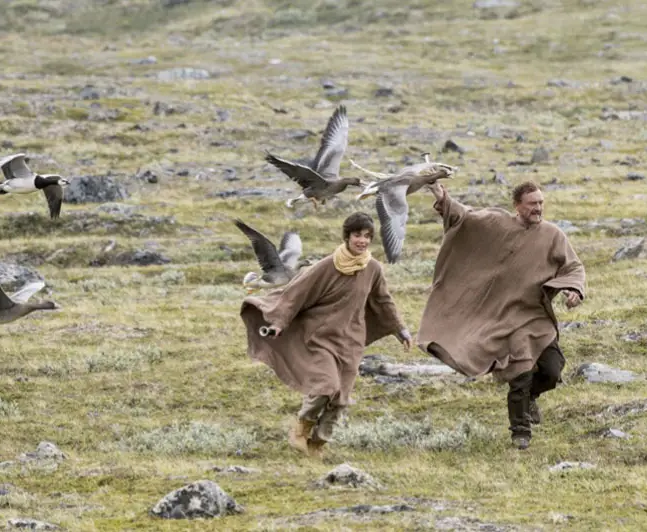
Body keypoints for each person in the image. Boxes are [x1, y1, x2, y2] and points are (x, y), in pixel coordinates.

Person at [416, 181, 586, 450]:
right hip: (504, 318)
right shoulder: (496, 224)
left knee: (552, 370)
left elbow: (573, 267)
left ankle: (530, 398)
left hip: (535, 317)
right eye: (532, 204)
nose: (538, 208)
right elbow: (464, 217)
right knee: (521, 372)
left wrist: (573, 290)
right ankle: (520, 431)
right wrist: (441, 196)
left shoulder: (553, 235)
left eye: (541, 203)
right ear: (517, 205)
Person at [240, 212, 412, 458]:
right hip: (321, 338)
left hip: (351, 341)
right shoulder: (326, 265)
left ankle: (318, 445)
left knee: (340, 398)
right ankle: (301, 429)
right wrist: (279, 322)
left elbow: (383, 301)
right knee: (325, 386)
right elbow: (296, 293)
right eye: (357, 235)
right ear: (347, 237)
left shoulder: (373, 268)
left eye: (367, 236)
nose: (362, 241)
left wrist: (400, 329)